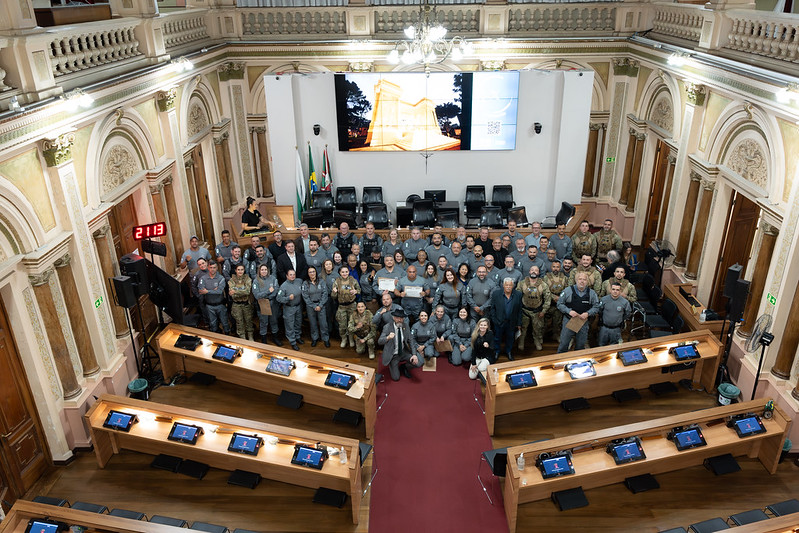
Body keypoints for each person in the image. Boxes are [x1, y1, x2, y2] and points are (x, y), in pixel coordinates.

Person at [556, 272, 600, 353]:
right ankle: (560, 362)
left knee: (580, 345)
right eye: (580, 279)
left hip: (583, 321)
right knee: (564, 344)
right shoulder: (567, 291)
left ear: (587, 282)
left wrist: (588, 313)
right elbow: (559, 304)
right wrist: (569, 311)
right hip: (569, 320)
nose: (582, 281)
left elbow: (596, 307)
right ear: (576, 280)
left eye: (584, 279)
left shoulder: (592, 293)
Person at [379, 309, 422, 381]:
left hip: (403, 352)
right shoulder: (387, 327)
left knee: (419, 363)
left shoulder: (406, 326)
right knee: (396, 378)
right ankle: (392, 365)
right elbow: (380, 341)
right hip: (393, 355)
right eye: (397, 317)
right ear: (393, 318)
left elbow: (411, 340)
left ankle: (405, 367)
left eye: (401, 318)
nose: (399, 320)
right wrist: (388, 337)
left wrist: (414, 354)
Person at [517, 265, 550, 351]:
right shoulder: (522, 283)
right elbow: (517, 297)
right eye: (532, 270)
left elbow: (547, 299)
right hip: (525, 310)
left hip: (537, 311)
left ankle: (537, 341)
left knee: (537, 329)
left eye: (536, 270)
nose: (534, 272)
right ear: (529, 272)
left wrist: (544, 311)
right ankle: (521, 341)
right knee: (523, 328)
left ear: (539, 273)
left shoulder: (543, 285)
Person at [489, 278, 523, 360]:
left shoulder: (518, 294)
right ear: (503, 285)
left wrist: (519, 323)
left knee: (510, 338)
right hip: (499, 322)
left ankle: (508, 351)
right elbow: (492, 308)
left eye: (510, 285)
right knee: (497, 338)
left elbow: (519, 310)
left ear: (513, 286)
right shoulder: (496, 294)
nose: (508, 287)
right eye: (506, 285)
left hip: (511, 322)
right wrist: (494, 320)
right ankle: (497, 351)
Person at [252, 264, 282, 346]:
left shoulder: (273, 279)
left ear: (268, 270)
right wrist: (268, 292)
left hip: (273, 303)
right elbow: (257, 295)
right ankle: (264, 340)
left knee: (274, 321)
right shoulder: (256, 281)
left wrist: (268, 295)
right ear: (259, 271)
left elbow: (276, 290)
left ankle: (275, 338)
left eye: (265, 269)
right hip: (262, 303)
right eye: (262, 270)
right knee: (263, 322)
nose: (264, 271)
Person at [331, 265, 360, 347]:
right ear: (340, 273)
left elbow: (359, 290)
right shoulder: (337, 281)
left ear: (348, 272)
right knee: (342, 325)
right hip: (342, 307)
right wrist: (334, 292)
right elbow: (333, 296)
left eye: (346, 272)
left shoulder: (353, 280)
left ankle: (351, 339)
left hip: (352, 306)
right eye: (343, 272)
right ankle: (344, 339)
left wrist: (356, 291)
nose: (344, 273)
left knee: (351, 324)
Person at [302, 266, 330, 347]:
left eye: (313, 271)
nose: (312, 273)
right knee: (313, 323)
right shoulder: (305, 283)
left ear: (316, 272)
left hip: (321, 305)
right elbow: (305, 296)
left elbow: (325, 293)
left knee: (323, 323)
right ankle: (315, 338)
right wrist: (313, 305)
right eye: (310, 272)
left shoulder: (321, 281)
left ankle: (325, 339)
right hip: (310, 306)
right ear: (308, 274)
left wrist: (320, 305)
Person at [276, 269, 304, 350]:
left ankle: (297, 337)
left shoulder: (299, 281)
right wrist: (288, 298)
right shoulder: (283, 286)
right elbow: (278, 298)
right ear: (287, 276)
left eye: (294, 274)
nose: (292, 276)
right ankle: (292, 341)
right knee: (290, 325)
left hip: (298, 306)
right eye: (290, 275)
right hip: (289, 308)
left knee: (298, 323)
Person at [198, 262, 229, 334]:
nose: (212, 269)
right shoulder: (203, 278)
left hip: (220, 305)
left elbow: (219, 291)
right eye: (211, 267)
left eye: (214, 267)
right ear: (208, 268)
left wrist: (207, 291)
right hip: (209, 306)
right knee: (212, 324)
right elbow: (201, 290)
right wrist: (213, 290)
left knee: (225, 323)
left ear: (217, 268)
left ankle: (228, 336)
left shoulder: (221, 278)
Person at [598, 281, 632, 346]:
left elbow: (627, 314)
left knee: (614, 347)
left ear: (620, 291)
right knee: (601, 346)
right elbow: (600, 311)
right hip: (604, 328)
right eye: (613, 289)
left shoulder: (625, 302)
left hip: (616, 329)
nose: (615, 291)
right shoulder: (603, 300)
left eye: (617, 290)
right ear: (610, 290)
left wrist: (619, 319)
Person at [543, 259, 568, 342]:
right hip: (548, 304)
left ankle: (556, 335)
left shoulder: (565, 278)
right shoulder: (546, 278)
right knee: (544, 323)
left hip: (559, 304)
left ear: (560, 268)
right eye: (554, 267)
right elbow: (544, 290)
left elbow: (567, 290)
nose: (555, 269)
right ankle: (541, 337)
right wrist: (554, 297)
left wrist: (560, 298)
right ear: (551, 267)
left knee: (557, 323)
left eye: (557, 267)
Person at [228, 263, 254, 341]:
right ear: (235, 270)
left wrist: (235, 291)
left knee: (249, 321)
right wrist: (241, 291)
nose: (240, 271)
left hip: (246, 304)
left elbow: (247, 291)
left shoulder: (247, 279)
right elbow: (232, 295)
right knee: (239, 322)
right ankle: (242, 338)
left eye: (242, 269)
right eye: (238, 270)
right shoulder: (231, 280)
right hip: (236, 305)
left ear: (244, 270)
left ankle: (250, 337)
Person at [190, 258, 209, 326]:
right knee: (205, 312)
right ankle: (207, 324)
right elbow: (193, 286)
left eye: (203, 263)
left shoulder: (212, 270)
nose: (202, 265)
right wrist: (198, 295)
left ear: (206, 262)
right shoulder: (197, 274)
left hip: (212, 296)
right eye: (200, 264)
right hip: (202, 297)